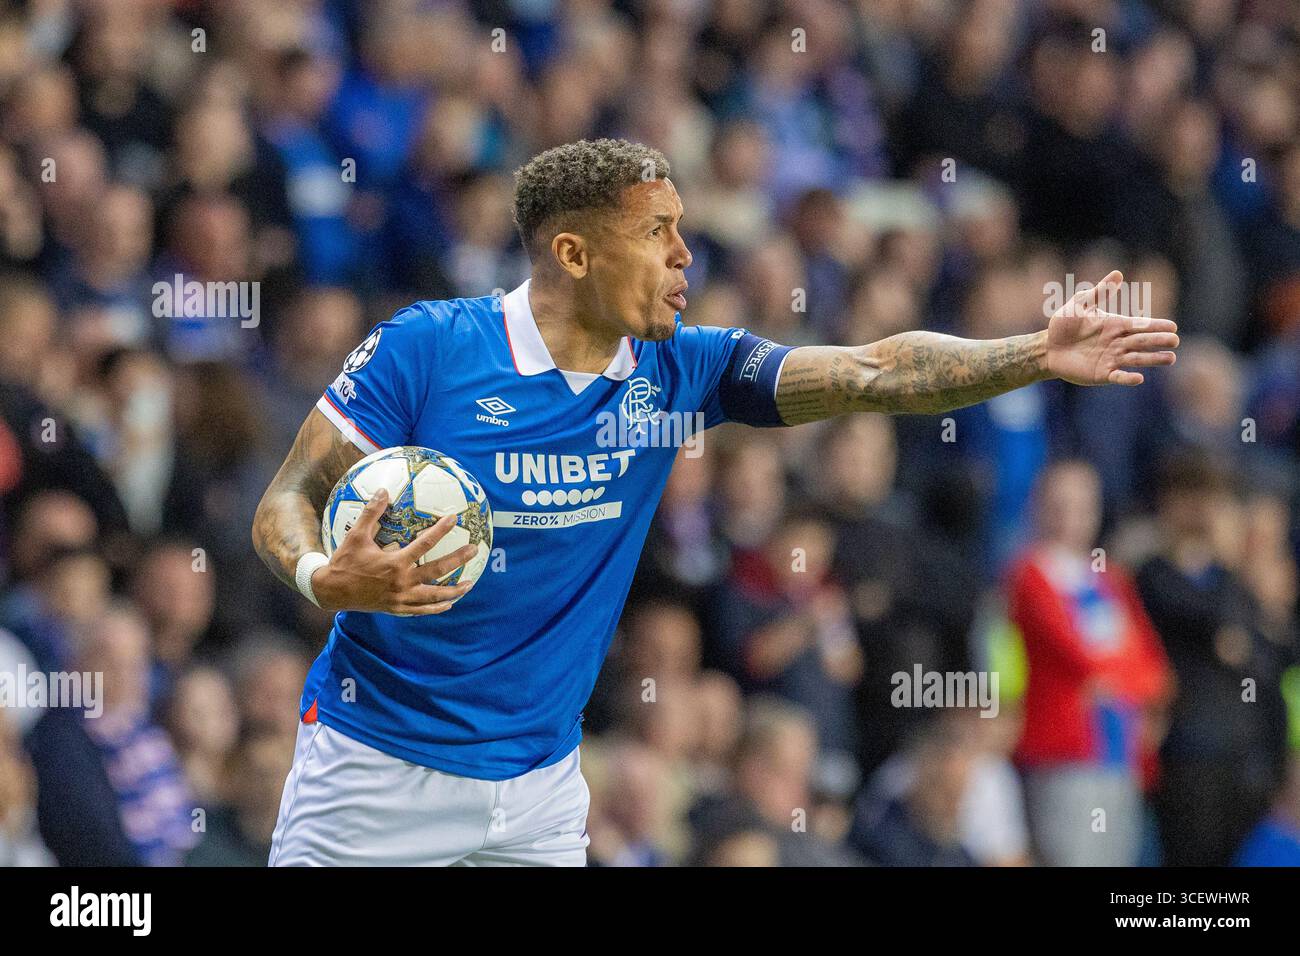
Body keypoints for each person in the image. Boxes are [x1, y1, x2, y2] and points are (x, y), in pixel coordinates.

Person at [251, 138, 1179, 866]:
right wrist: (323, 576)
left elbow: (868, 371)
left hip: (538, 788)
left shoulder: (680, 367)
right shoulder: (431, 348)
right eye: (657, 232)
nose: (686, 253)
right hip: (377, 765)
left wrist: (1029, 354)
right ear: (572, 251)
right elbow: (287, 497)